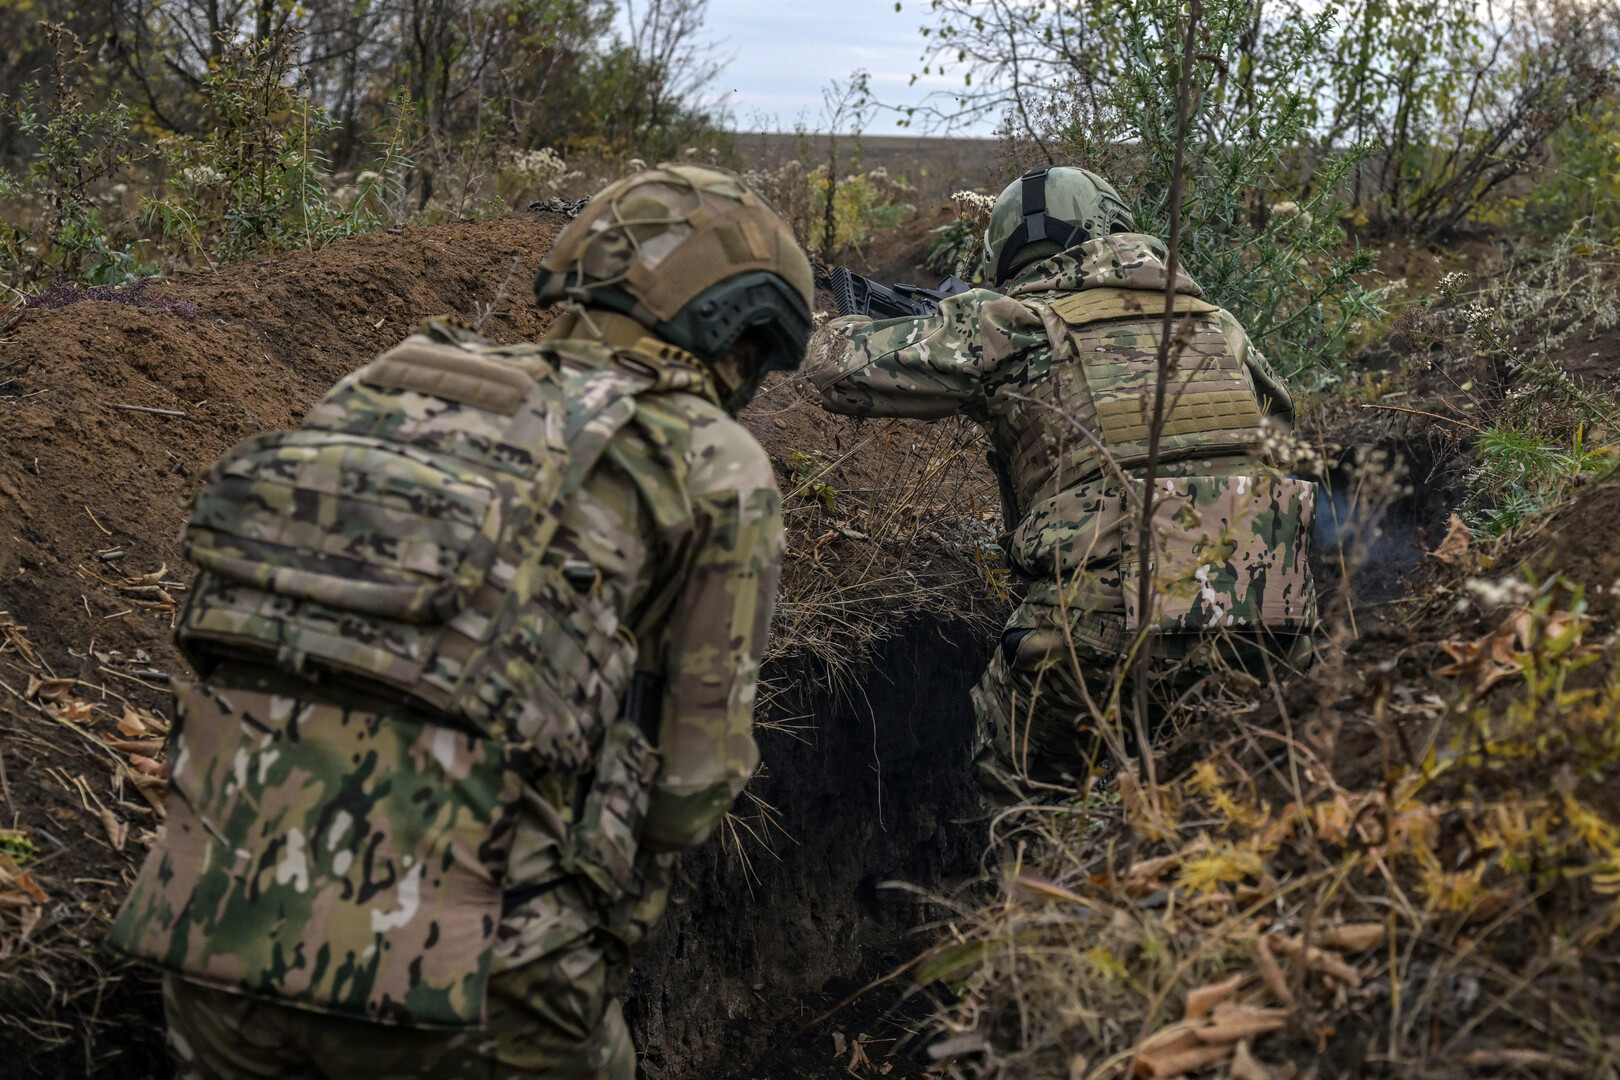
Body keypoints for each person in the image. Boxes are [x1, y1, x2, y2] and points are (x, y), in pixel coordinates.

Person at [109, 163, 814, 1080]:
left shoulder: (386, 384)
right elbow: (689, 794)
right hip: (479, 990)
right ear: (741, 331)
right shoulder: (715, 462)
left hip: (214, 940)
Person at [806, 166, 1317, 799]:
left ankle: (1056, 891)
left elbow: (835, 372)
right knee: (1234, 797)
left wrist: (824, 321)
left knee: (1017, 786)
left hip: (1100, 625)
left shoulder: (1010, 323)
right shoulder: (1221, 327)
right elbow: (1286, 446)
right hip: (1265, 615)